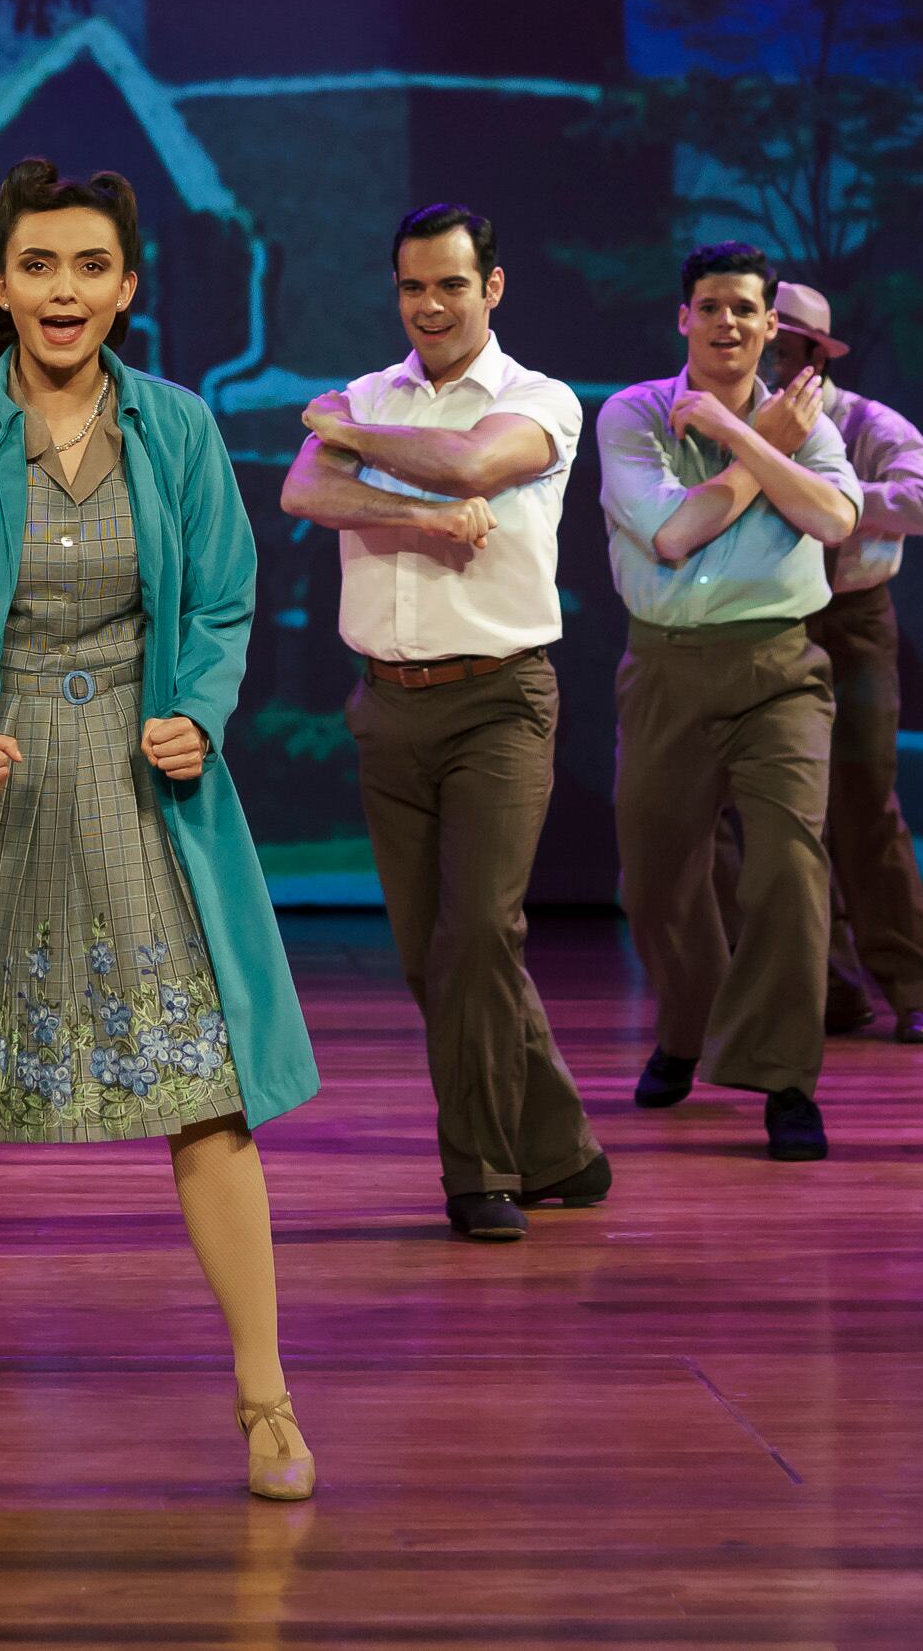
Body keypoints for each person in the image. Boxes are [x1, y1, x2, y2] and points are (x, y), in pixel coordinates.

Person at [0, 158, 321, 1504]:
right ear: (0, 283)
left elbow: (221, 602)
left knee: (207, 1095)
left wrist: (197, 708)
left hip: (142, 784)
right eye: (38, 265)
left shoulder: (179, 427)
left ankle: (266, 1398)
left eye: (90, 265)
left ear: (126, 286)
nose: (63, 290)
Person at [281, 201, 604, 1242]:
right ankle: (563, 1148)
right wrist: (417, 514)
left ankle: (480, 1173)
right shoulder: (369, 392)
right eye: (414, 286)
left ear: (491, 287)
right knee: (437, 958)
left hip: (497, 701)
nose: (430, 305)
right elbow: (303, 491)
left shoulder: (538, 399)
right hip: (386, 703)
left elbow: (472, 463)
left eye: (451, 285)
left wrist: (350, 439)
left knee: (480, 937)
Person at [591, 242, 860, 1160]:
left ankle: (786, 1077)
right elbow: (673, 534)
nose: (728, 322)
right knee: (656, 878)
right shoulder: (634, 413)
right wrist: (768, 452)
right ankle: (687, 1030)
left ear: (771, 324)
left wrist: (752, 436)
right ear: (684, 318)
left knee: (788, 865)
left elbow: (834, 518)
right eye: (710, 306)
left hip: (778, 669)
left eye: (745, 308)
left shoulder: (804, 418)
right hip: (664, 666)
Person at [765, 282, 923, 1045]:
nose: (771, 366)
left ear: (816, 355)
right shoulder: (745, 420)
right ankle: (833, 987)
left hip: (854, 619)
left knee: (865, 799)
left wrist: (832, 495)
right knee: (785, 810)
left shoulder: (870, 423)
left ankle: (912, 986)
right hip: (776, 616)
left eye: (782, 351)